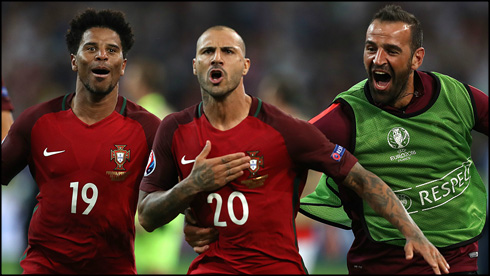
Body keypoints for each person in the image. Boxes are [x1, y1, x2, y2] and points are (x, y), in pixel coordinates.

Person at [138, 25, 449, 274]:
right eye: (208, 51)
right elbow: (147, 216)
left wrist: (413, 231)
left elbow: (362, 179)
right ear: (195, 66)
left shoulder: (284, 129)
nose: (217, 58)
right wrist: (190, 186)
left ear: (245, 66)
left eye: (227, 51)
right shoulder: (174, 129)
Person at [299, 5, 488, 274]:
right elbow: (284, 147)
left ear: (416, 58)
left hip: (454, 260)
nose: (378, 59)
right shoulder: (347, 116)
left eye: (391, 50)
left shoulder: (456, 97)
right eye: (371, 48)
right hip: (383, 265)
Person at [1, 8, 161, 274]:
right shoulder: (37, 121)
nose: (101, 55)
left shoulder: (148, 128)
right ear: (74, 60)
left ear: (122, 65)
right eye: (91, 48)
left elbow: (175, 190)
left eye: (112, 50)